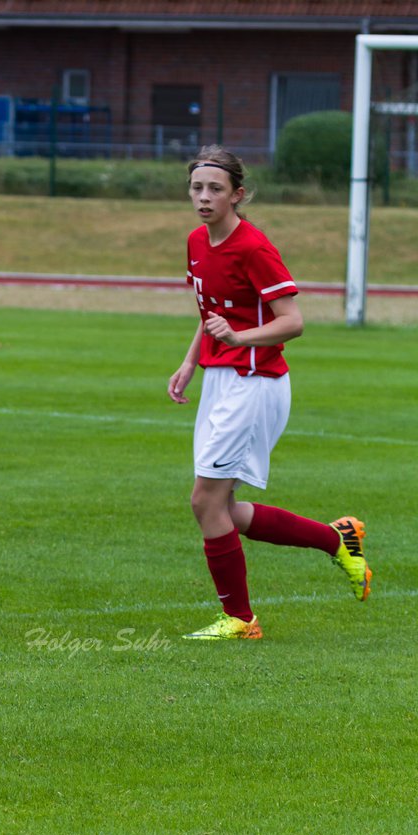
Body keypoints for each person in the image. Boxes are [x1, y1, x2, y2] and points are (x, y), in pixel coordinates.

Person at [167, 145, 372, 640]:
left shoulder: (254, 248)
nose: (204, 197)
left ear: (237, 194)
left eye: (215, 188)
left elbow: (293, 322)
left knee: (205, 502)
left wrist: (237, 339)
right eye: (197, 187)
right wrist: (191, 360)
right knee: (222, 508)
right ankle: (336, 538)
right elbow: (210, 312)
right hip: (222, 378)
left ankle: (240, 620)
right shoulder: (197, 241)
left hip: (254, 383)